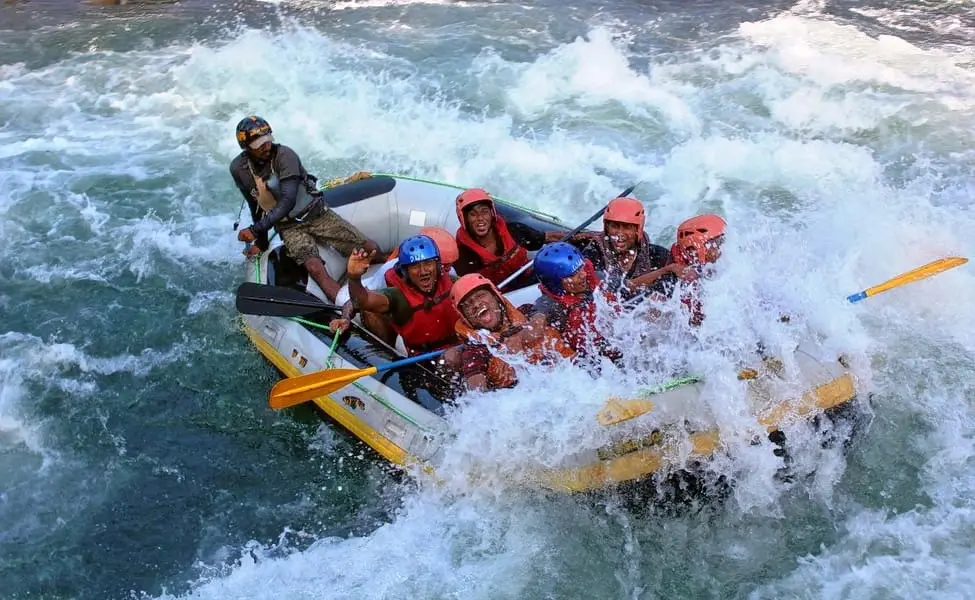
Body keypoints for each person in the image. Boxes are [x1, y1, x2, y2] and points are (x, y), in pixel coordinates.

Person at [230, 115, 385, 302]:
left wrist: (255, 230)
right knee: (314, 267)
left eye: (268, 140)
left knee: (367, 247)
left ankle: (390, 270)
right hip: (288, 227)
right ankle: (347, 305)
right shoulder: (239, 169)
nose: (266, 146)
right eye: (260, 144)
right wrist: (261, 243)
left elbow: (288, 200)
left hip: (316, 214)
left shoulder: (285, 155)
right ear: (246, 148)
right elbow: (256, 205)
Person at [329, 226, 460, 344]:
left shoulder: (447, 272)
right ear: (405, 271)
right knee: (370, 311)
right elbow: (360, 302)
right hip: (358, 292)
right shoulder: (390, 276)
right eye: (415, 266)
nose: (424, 272)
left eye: (428, 263)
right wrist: (354, 277)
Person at [450, 273, 575, 392]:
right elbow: (476, 392)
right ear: (465, 317)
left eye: (480, 295)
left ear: (496, 296)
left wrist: (535, 323)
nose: (476, 304)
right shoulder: (476, 349)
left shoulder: (526, 312)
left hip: (574, 378)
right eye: (468, 305)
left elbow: (553, 303)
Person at [562, 196, 670, 299]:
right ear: (607, 227)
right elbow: (611, 285)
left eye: (628, 227)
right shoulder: (593, 251)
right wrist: (663, 271)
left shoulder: (657, 256)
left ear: (638, 229)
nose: (620, 234)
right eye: (614, 226)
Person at [530, 242, 621, 361]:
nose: (583, 275)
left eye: (581, 268)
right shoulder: (551, 303)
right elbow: (538, 318)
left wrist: (654, 277)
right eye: (573, 274)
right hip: (582, 360)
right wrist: (535, 325)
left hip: (610, 343)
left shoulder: (595, 279)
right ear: (555, 283)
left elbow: (630, 285)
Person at [452, 187, 557, 289]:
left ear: (492, 213)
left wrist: (572, 238)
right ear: (464, 219)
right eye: (473, 214)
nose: (480, 218)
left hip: (532, 283)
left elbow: (547, 237)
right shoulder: (462, 256)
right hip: (503, 297)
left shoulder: (514, 230)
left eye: (484, 212)